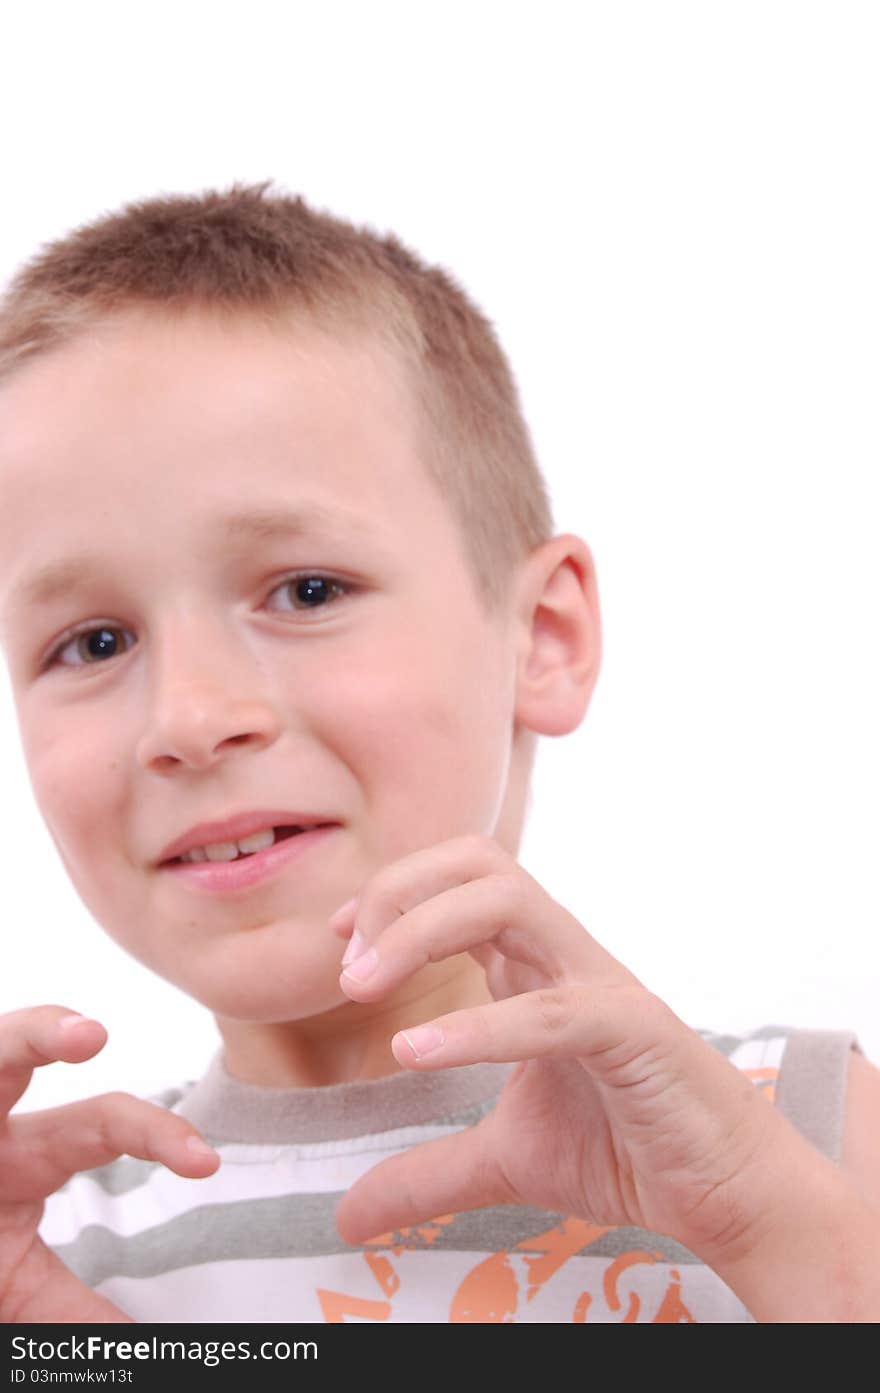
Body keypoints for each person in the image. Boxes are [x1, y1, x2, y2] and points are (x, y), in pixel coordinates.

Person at [0, 182, 877, 1325]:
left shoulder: (791, 1136)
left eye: (306, 589)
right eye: (95, 641)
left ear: (542, 639)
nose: (189, 718)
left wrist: (769, 1228)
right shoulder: (55, 1242)